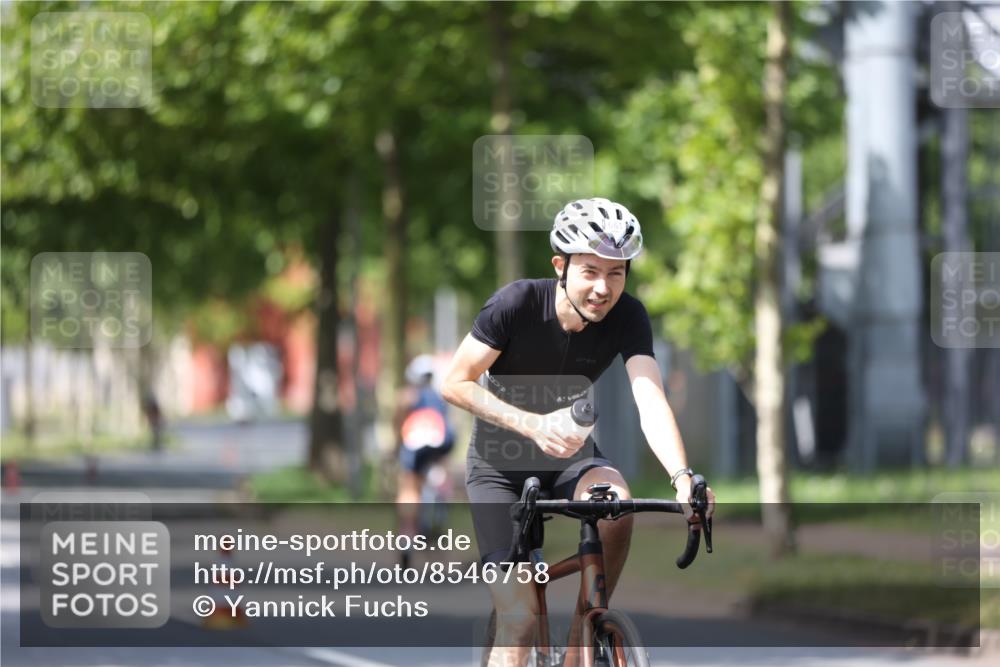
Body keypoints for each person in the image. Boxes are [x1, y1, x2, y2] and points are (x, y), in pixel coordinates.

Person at [440, 197, 716, 667]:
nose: (603, 288)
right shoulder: (516, 304)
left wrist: (683, 476)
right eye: (590, 271)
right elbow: (454, 382)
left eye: (616, 273)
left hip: (570, 456)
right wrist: (531, 423)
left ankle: (582, 644)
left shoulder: (629, 317)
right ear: (560, 266)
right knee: (520, 621)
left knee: (618, 505)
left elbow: (649, 398)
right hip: (498, 467)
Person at [395, 354, 455, 559]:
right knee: (442, 467)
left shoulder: (410, 394)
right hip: (442, 440)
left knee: (409, 486)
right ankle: (441, 496)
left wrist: (397, 441)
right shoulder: (441, 396)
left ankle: (407, 534)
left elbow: (400, 418)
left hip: (416, 442)